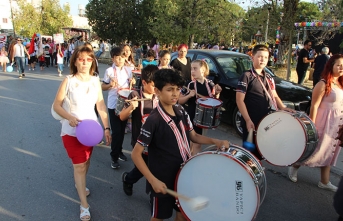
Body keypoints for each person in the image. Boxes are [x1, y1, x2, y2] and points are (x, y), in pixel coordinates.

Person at [131, 68, 229, 221]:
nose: (175, 93)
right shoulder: (154, 120)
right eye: (170, 90)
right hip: (162, 178)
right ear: (157, 91)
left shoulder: (180, 110)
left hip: (183, 174)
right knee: (158, 217)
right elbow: (136, 154)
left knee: (182, 215)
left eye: (177, 89)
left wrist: (215, 141)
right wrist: (152, 180)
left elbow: (194, 136)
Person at [52, 45, 111, 220]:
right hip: (71, 132)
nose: (85, 62)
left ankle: (81, 183)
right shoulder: (68, 81)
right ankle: (84, 205)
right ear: (75, 61)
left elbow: (100, 105)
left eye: (88, 59)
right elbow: (57, 105)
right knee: (78, 165)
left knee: (86, 163)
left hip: (91, 132)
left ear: (93, 61)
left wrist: (107, 128)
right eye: (81, 59)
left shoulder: (95, 80)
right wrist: (69, 116)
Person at [288, 54, 343, 192]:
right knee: (314, 149)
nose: (341, 68)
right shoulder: (323, 83)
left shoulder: (341, 84)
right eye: (338, 65)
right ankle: (295, 165)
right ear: (331, 66)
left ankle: (324, 181)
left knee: (330, 151)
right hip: (323, 121)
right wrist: (311, 125)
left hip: (337, 123)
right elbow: (314, 106)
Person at [236, 44, 293, 159]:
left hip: (265, 121)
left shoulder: (268, 77)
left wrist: (282, 107)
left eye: (266, 57)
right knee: (249, 153)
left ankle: (257, 174)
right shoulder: (246, 76)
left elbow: (274, 95)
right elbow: (239, 100)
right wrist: (247, 120)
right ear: (253, 57)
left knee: (261, 152)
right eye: (260, 56)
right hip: (251, 121)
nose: (263, 59)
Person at [120, 65, 159, 196]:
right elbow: (122, 116)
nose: (157, 88)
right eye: (154, 85)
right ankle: (128, 179)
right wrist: (131, 107)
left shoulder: (158, 95)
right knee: (143, 168)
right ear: (144, 82)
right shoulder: (135, 94)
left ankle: (153, 197)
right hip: (139, 141)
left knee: (153, 167)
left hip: (156, 140)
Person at [178, 60, 222, 154]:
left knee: (196, 143)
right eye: (191, 69)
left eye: (195, 68)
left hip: (205, 120)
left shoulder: (210, 83)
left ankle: (189, 160)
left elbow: (213, 100)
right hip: (192, 116)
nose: (192, 71)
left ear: (202, 70)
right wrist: (189, 95)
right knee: (195, 143)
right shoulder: (189, 84)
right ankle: (192, 162)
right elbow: (179, 100)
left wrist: (217, 93)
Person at [102, 46, 134, 169]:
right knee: (117, 132)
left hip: (125, 104)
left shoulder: (128, 70)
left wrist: (133, 82)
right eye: (117, 57)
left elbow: (131, 85)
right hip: (113, 104)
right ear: (113, 58)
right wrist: (110, 85)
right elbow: (103, 87)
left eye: (122, 57)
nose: (120, 59)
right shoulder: (109, 71)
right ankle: (114, 157)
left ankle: (119, 151)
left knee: (121, 129)